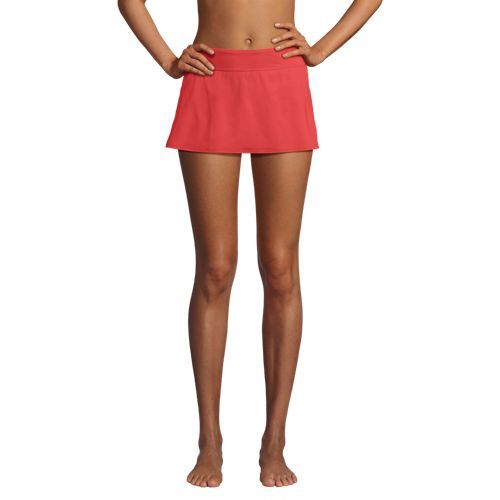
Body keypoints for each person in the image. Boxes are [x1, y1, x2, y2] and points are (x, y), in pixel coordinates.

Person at [118, 0, 382, 488]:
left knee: (280, 267)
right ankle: (209, 439)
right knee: (215, 268)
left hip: (281, 80)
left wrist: (320, 49)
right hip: (211, 80)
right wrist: (168, 60)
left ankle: (274, 439)